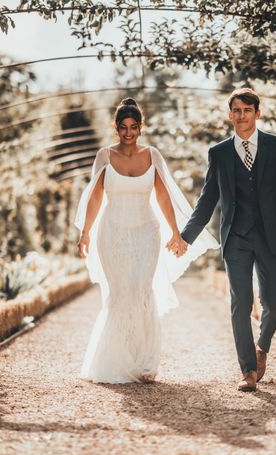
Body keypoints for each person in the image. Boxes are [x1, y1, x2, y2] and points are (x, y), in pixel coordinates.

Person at [74, 98, 218, 384]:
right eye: (123, 127)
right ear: (115, 127)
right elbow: (94, 197)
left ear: (141, 128)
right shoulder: (104, 156)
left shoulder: (152, 155)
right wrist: (85, 232)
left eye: (134, 127)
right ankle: (116, 360)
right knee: (120, 294)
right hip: (112, 232)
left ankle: (144, 363)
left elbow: (164, 196)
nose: (128, 132)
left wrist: (176, 232)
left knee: (141, 292)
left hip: (146, 233)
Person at [178, 87, 276, 392]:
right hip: (236, 239)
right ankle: (247, 369)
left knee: (272, 303)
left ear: (257, 114)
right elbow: (207, 201)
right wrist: (185, 238)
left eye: (247, 110)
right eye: (236, 110)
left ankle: (262, 347)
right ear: (230, 114)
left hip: (272, 236)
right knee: (240, 302)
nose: (241, 115)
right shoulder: (218, 153)